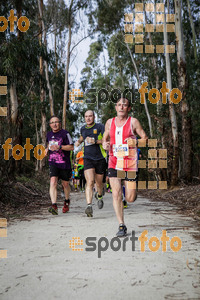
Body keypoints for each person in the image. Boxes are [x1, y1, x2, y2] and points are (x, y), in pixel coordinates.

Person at [103, 98, 148, 236]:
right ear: (116, 107)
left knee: (130, 198)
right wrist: (104, 144)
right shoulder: (109, 122)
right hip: (114, 161)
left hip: (129, 162)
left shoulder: (133, 122)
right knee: (115, 193)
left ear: (129, 108)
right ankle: (121, 225)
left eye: (125, 105)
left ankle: (128, 195)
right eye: (119, 105)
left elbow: (145, 139)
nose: (121, 107)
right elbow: (105, 138)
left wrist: (135, 141)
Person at [75, 110, 107, 217]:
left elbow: (107, 140)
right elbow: (82, 137)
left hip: (100, 158)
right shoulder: (83, 129)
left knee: (99, 183)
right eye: (86, 116)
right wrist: (78, 142)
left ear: (94, 117)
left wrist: (95, 141)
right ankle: (89, 206)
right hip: (87, 158)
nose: (88, 118)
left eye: (90, 116)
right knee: (90, 181)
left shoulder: (100, 127)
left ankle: (99, 195)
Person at [45, 116, 74, 215]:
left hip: (64, 163)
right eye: (52, 122)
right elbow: (49, 145)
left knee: (65, 184)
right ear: (50, 125)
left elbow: (72, 147)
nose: (54, 124)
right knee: (53, 182)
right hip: (53, 162)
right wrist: (46, 149)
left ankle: (66, 201)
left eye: (56, 122)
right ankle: (54, 205)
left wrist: (60, 146)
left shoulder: (65, 134)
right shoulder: (48, 134)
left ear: (60, 123)